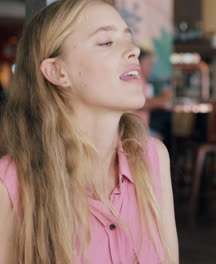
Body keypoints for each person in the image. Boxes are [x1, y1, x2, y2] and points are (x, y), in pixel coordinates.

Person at [0, 0, 178, 263]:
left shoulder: (153, 157)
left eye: (129, 39)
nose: (134, 51)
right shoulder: (9, 185)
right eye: (106, 42)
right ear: (58, 72)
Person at [134, 48, 173, 139]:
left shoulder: (143, 80)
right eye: (148, 63)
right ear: (138, 63)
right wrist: (164, 99)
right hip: (134, 129)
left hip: (141, 127)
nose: (151, 67)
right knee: (158, 140)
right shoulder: (136, 80)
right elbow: (140, 104)